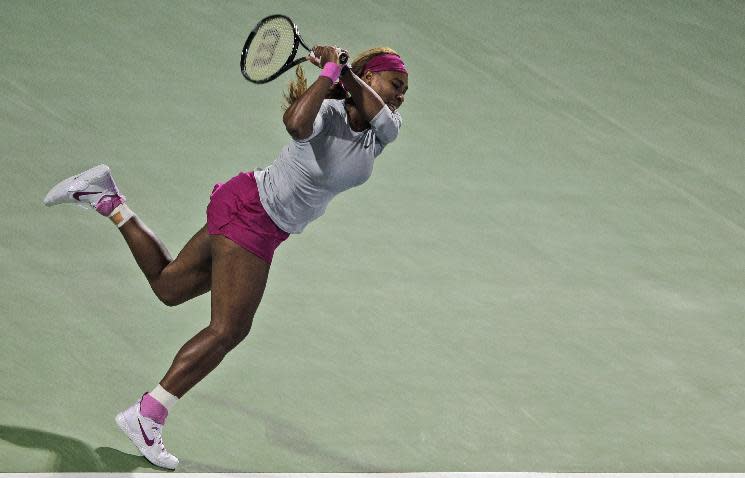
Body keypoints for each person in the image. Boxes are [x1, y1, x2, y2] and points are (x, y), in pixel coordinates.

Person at [43, 45, 408, 470]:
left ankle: (106, 198)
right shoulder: (325, 115)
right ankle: (148, 414)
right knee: (229, 329)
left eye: (404, 90)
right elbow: (294, 124)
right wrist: (331, 69)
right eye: (395, 84)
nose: (401, 96)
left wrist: (343, 73)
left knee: (169, 287)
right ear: (369, 74)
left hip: (261, 220)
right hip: (253, 213)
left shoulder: (386, 128)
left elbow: (374, 106)